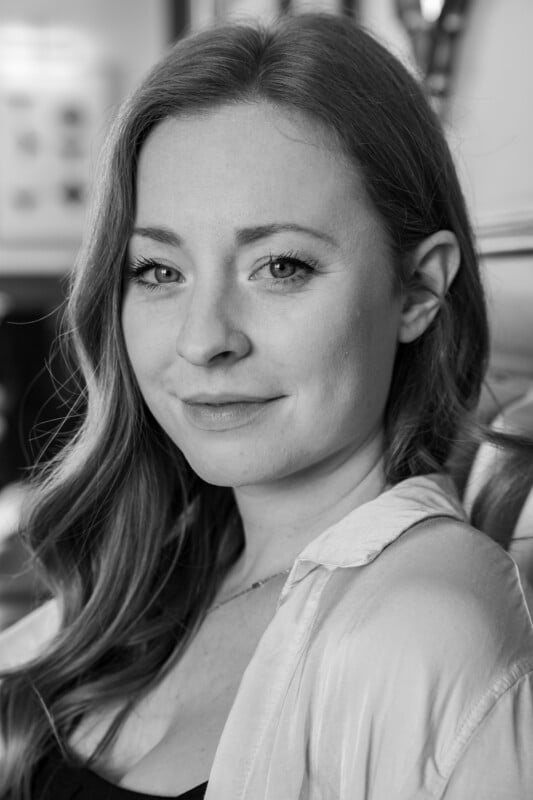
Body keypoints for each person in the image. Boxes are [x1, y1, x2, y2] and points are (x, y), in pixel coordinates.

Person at [1, 11, 533, 800]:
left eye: (280, 265)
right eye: (157, 270)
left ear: (419, 288)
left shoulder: (422, 628)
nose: (204, 339)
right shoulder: (155, 572)